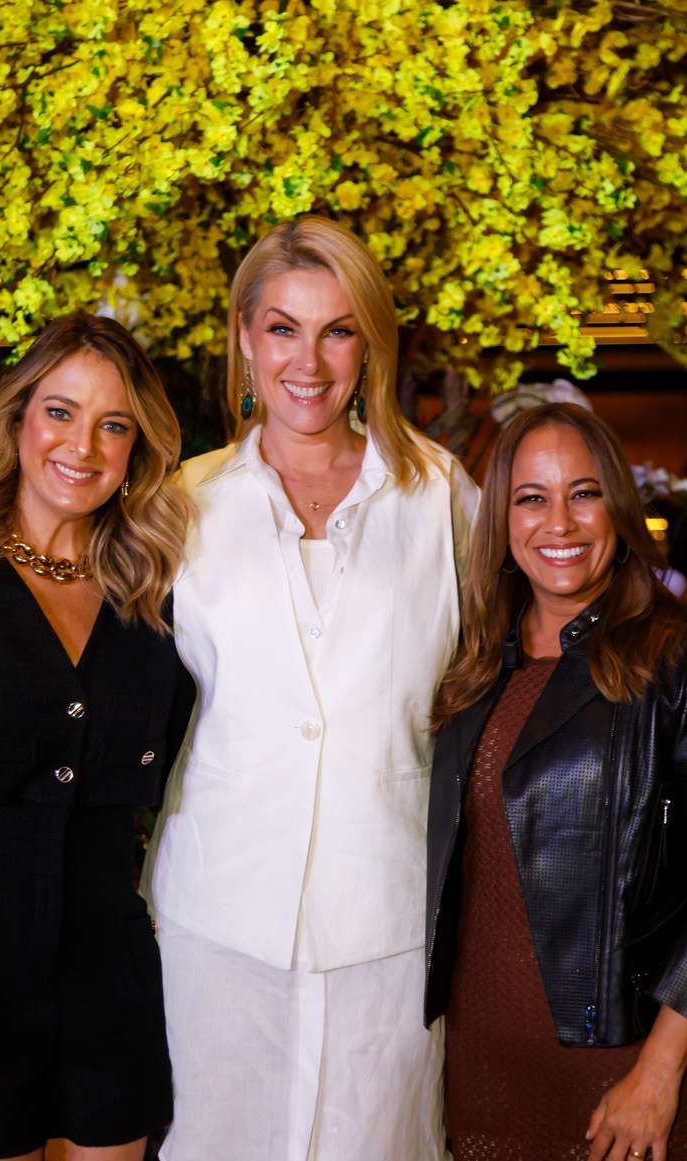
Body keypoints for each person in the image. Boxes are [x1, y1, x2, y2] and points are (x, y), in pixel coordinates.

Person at [142, 215, 478, 1161]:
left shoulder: (442, 494)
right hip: (217, 916)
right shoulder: (179, 501)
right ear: (245, 337)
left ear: (370, 341)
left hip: (390, 917)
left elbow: (499, 670)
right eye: (283, 326)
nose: (310, 360)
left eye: (338, 329)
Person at [0, 312, 193, 1159]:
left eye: (115, 425)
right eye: (61, 412)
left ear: (139, 448)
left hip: (109, 998)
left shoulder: (159, 604)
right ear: (18, 419)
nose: (85, 445)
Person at [425, 402, 687, 1161]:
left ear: (617, 504)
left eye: (584, 492)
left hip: (617, 1066)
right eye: (532, 498)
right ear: (503, 520)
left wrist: (661, 1073)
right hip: (477, 1058)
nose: (560, 523)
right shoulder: (475, 664)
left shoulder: (669, 656)